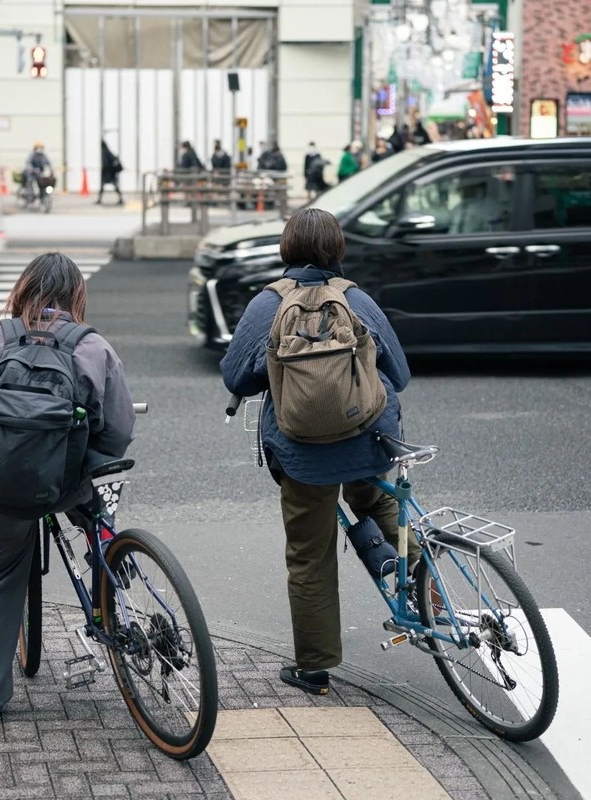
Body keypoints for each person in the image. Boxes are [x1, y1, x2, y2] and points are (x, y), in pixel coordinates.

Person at [220, 208, 414, 696]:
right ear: (337, 249)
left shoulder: (268, 305)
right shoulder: (357, 300)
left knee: (310, 553)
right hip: (368, 437)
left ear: (287, 248)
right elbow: (401, 374)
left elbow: (235, 376)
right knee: (378, 499)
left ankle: (316, 669)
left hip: (303, 450)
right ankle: (425, 584)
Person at [0, 252, 136, 722]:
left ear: (22, 290)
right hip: (64, 484)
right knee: (96, 499)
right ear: (77, 296)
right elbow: (116, 434)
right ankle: (109, 570)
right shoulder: (93, 349)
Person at [96, 140, 124, 206]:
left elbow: (105, 163)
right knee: (114, 186)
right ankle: (120, 199)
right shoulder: (108, 151)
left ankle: (99, 199)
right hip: (111, 173)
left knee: (104, 186)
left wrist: (104, 169)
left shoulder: (104, 152)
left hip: (107, 173)